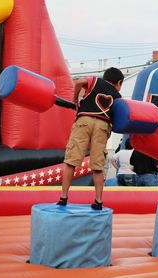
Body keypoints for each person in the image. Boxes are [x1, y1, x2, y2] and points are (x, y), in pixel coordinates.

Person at [57, 67, 124, 210]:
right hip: (103, 125)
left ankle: (63, 197)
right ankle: (99, 200)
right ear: (119, 83)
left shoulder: (95, 81)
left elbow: (80, 81)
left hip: (84, 120)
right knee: (97, 165)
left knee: (71, 161)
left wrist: (75, 98)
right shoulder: (118, 97)